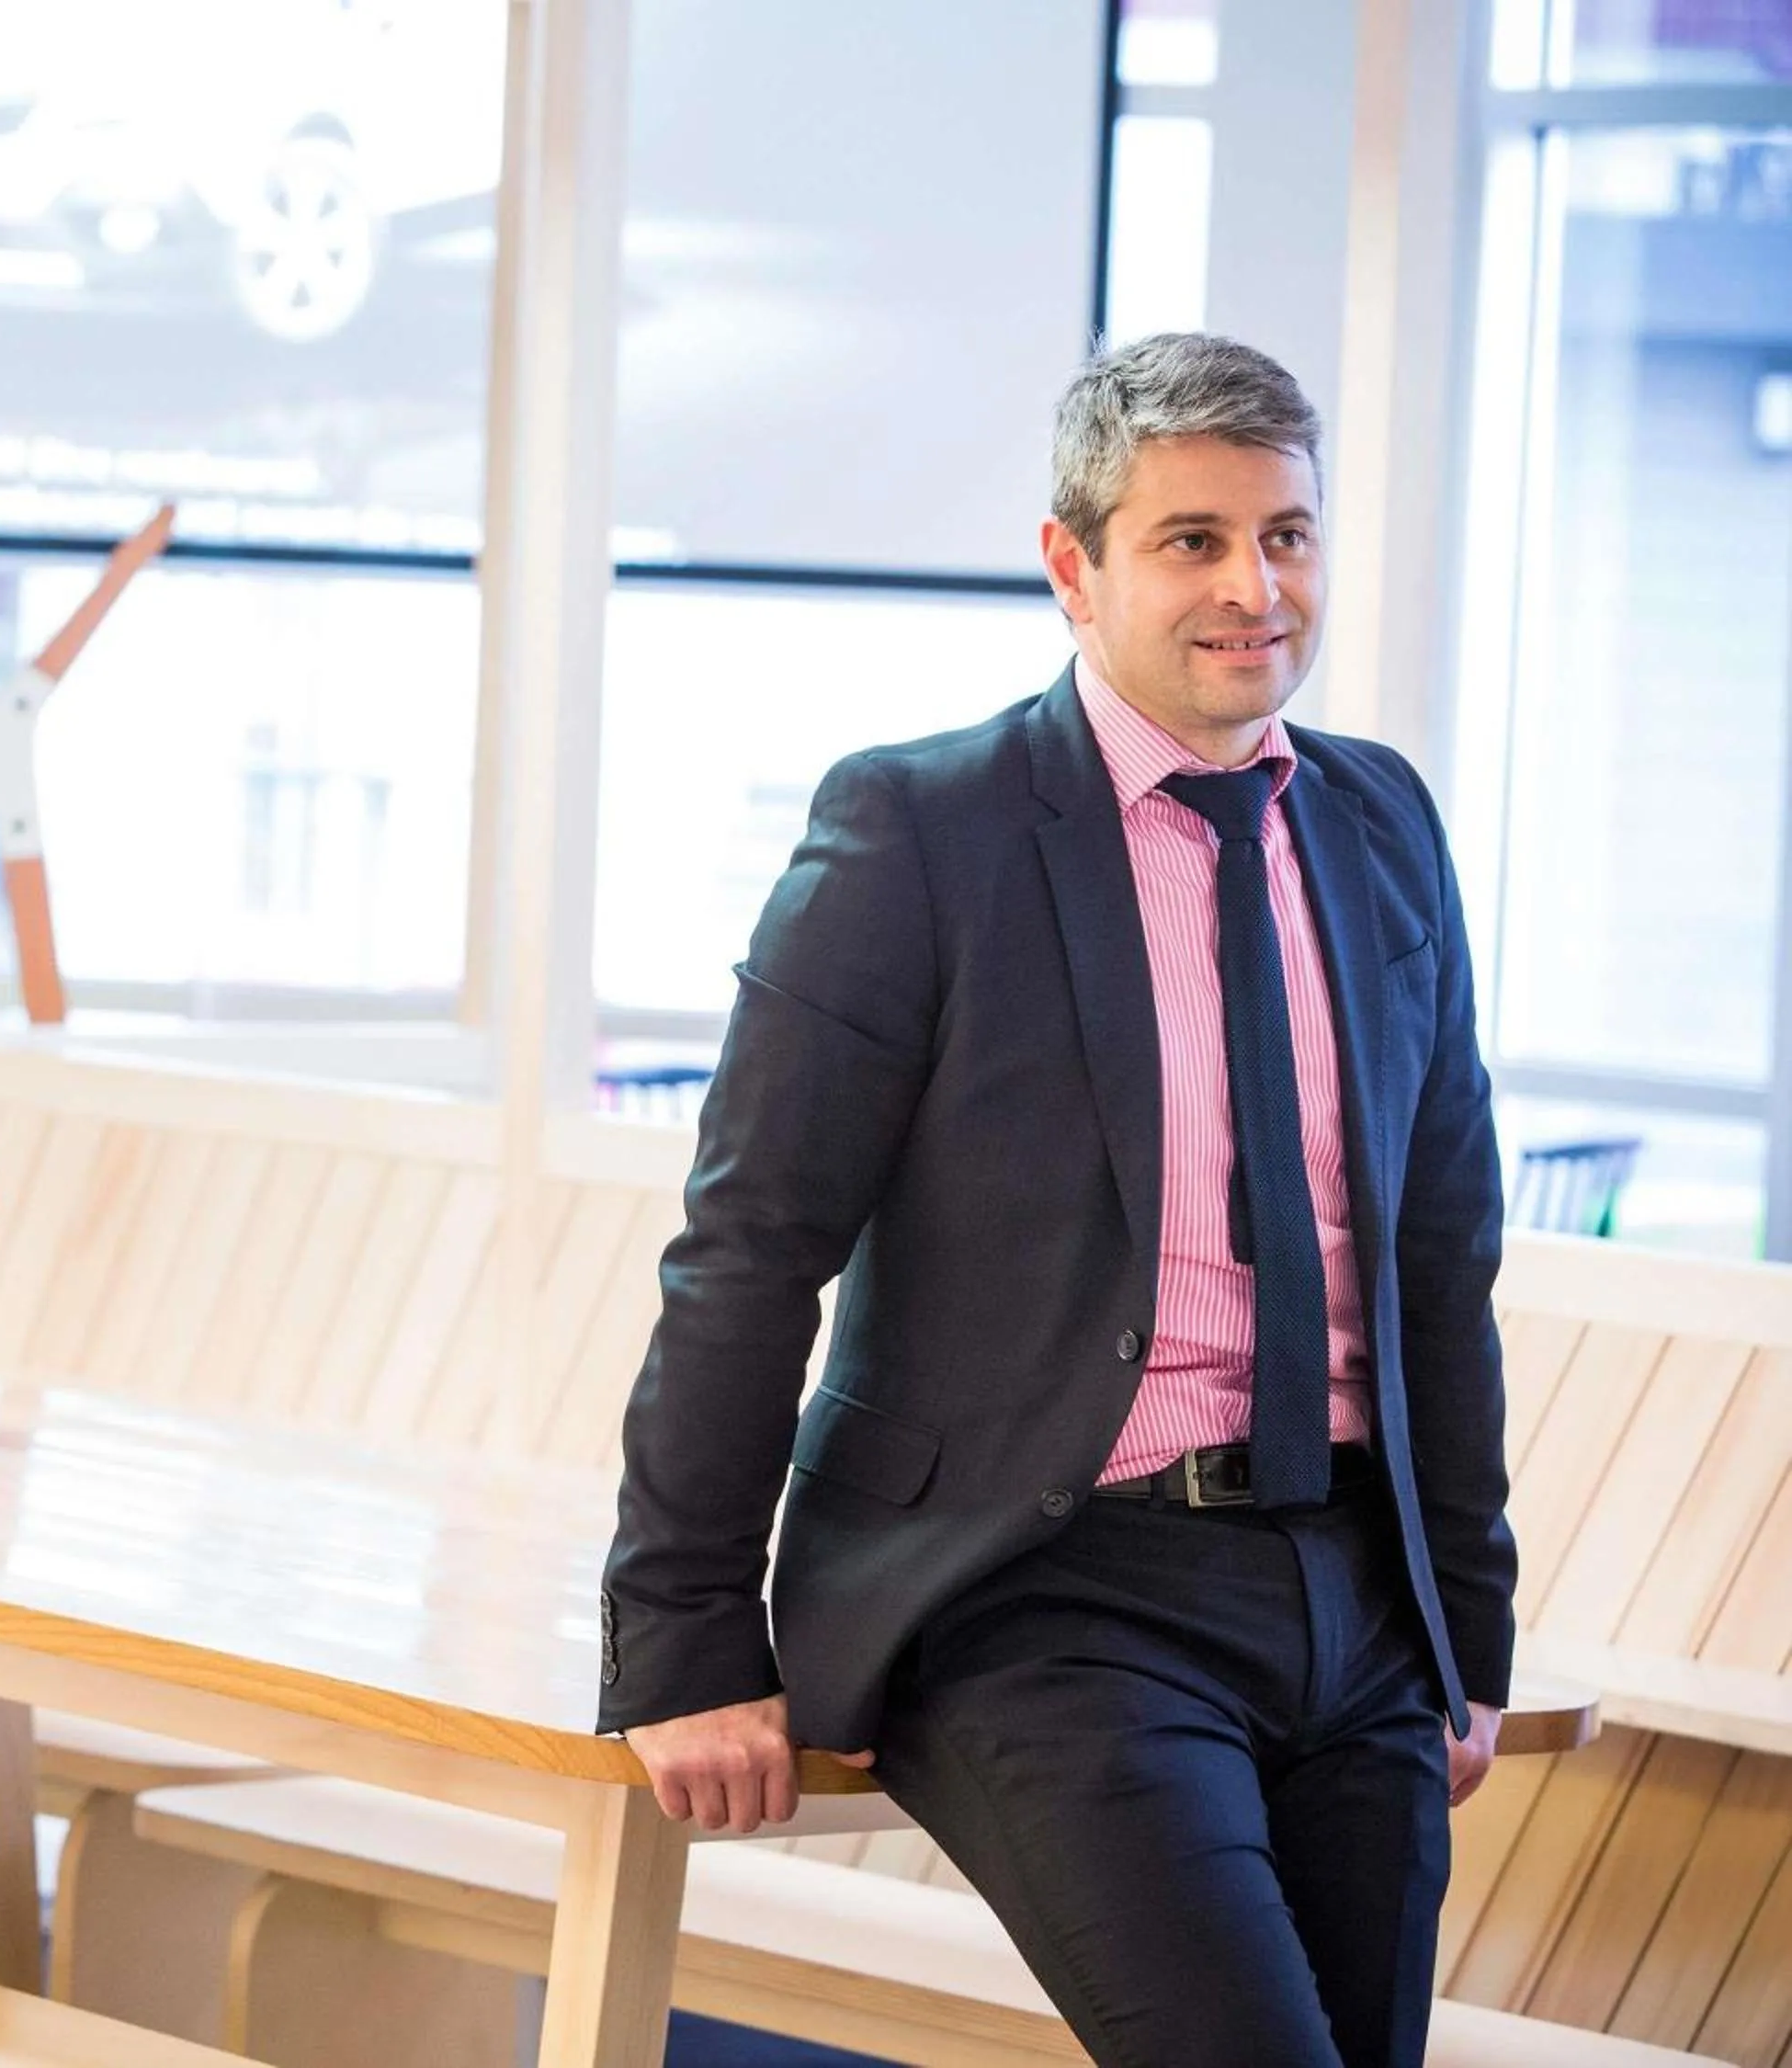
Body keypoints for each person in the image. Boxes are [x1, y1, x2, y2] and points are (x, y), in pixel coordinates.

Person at [597, 333, 1515, 2068]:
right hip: (1048, 1588)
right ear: (1072, 564)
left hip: (1354, 1596)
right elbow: (749, 1248)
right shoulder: (919, 830)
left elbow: (1437, 1252)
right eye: (1193, 540)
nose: (1257, 586)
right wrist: (685, 1637)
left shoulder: (1383, 826)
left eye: (1290, 535)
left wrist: (1464, 1625)